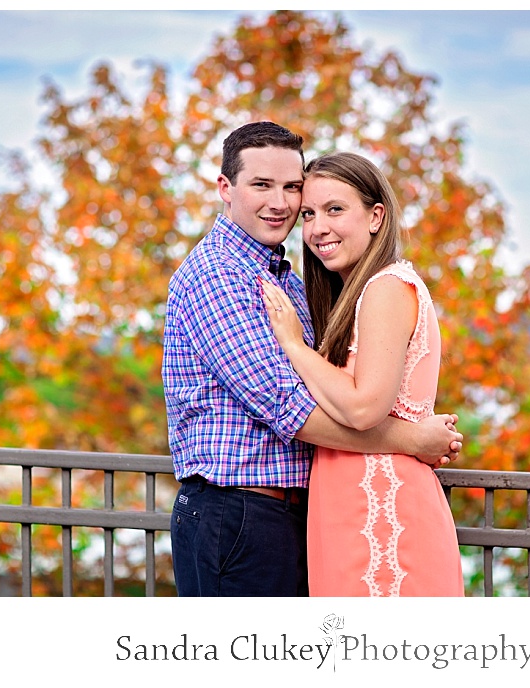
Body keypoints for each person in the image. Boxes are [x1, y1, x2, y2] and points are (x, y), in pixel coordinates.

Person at [162, 121, 463, 597]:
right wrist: (413, 439)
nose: (280, 203)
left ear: (375, 216)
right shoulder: (218, 275)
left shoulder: (286, 277)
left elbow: (337, 389)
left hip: (294, 515)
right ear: (226, 188)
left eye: (291, 189)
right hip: (238, 515)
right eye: (261, 185)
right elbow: (289, 407)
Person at [259, 151, 465, 596]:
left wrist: (293, 345)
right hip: (344, 509)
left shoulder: (386, 287)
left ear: (376, 216)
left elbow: (362, 407)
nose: (317, 228)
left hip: (384, 511)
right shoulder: (350, 296)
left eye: (335, 210)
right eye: (309, 214)